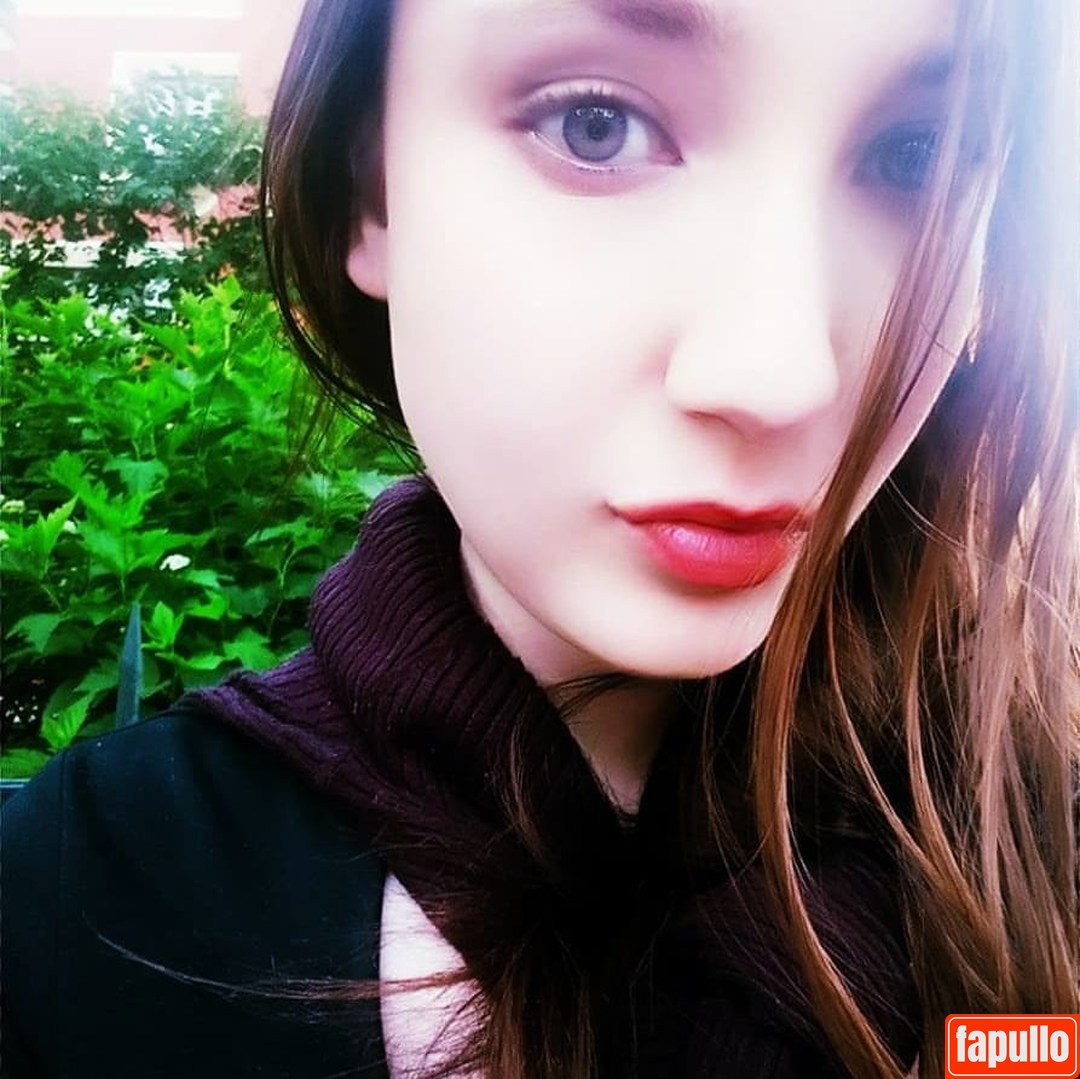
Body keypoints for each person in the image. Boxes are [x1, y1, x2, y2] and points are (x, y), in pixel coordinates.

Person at [3, 0, 1077, 1076]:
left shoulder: (1033, 836)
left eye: (918, 156)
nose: (779, 373)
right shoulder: (74, 911)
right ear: (368, 191)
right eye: (595, 124)